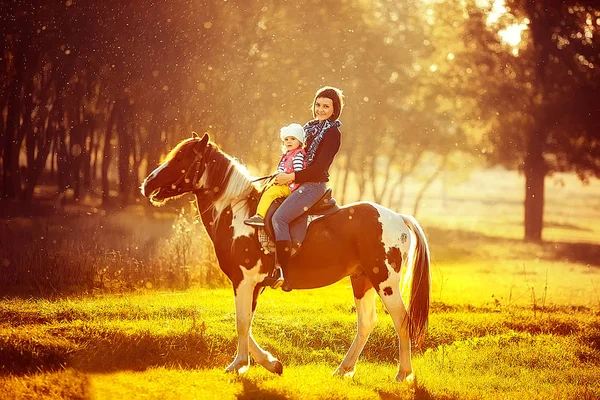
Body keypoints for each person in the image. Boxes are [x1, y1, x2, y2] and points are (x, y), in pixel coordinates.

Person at [268, 86, 344, 289]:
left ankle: (284, 272)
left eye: (326, 106)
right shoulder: (308, 129)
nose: (321, 109)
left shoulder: (332, 133)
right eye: (318, 105)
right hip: (296, 181)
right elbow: (295, 156)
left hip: (313, 185)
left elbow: (319, 168)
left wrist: (291, 176)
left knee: (280, 218)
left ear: (334, 109)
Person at [244, 123, 307, 227]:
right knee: (266, 188)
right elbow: (280, 169)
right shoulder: (287, 155)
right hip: (284, 183)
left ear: (299, 141)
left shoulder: (298, 155)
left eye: (292, 139)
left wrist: (286, 179)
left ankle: (260, 216)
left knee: (271, 193)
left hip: (291, 187)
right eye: (286, 139)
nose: (289, 141)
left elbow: (298, 172)